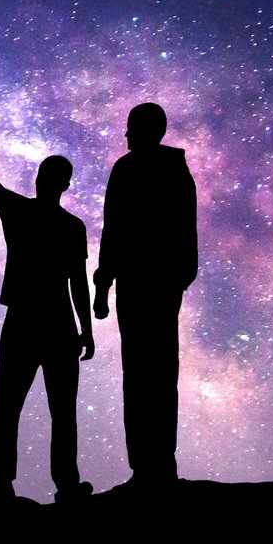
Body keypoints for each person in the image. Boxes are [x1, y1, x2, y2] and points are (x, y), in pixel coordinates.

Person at [0, 129, 95, 503]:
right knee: (21, 405)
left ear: (60, 183)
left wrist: (87, 328)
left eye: (49, 175)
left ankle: (46, 484)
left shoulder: (61, 224)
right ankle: (12, 484)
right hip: (40, 321)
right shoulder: (47, 219)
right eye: (44, 174)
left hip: (42, 322)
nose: (43, 180)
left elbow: (79, 280)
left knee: (47, 409)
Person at [91, 102, 198, 488]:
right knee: (153, 372)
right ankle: (151, 466)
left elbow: (115, 231)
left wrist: (104, 284)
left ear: (144, 129)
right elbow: (117, 230)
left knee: (143, 372)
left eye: (130, 127)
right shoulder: (166, 170)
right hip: (153, 283)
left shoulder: (133, 169)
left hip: (146, 283)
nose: (125, 134)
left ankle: (153, 466)